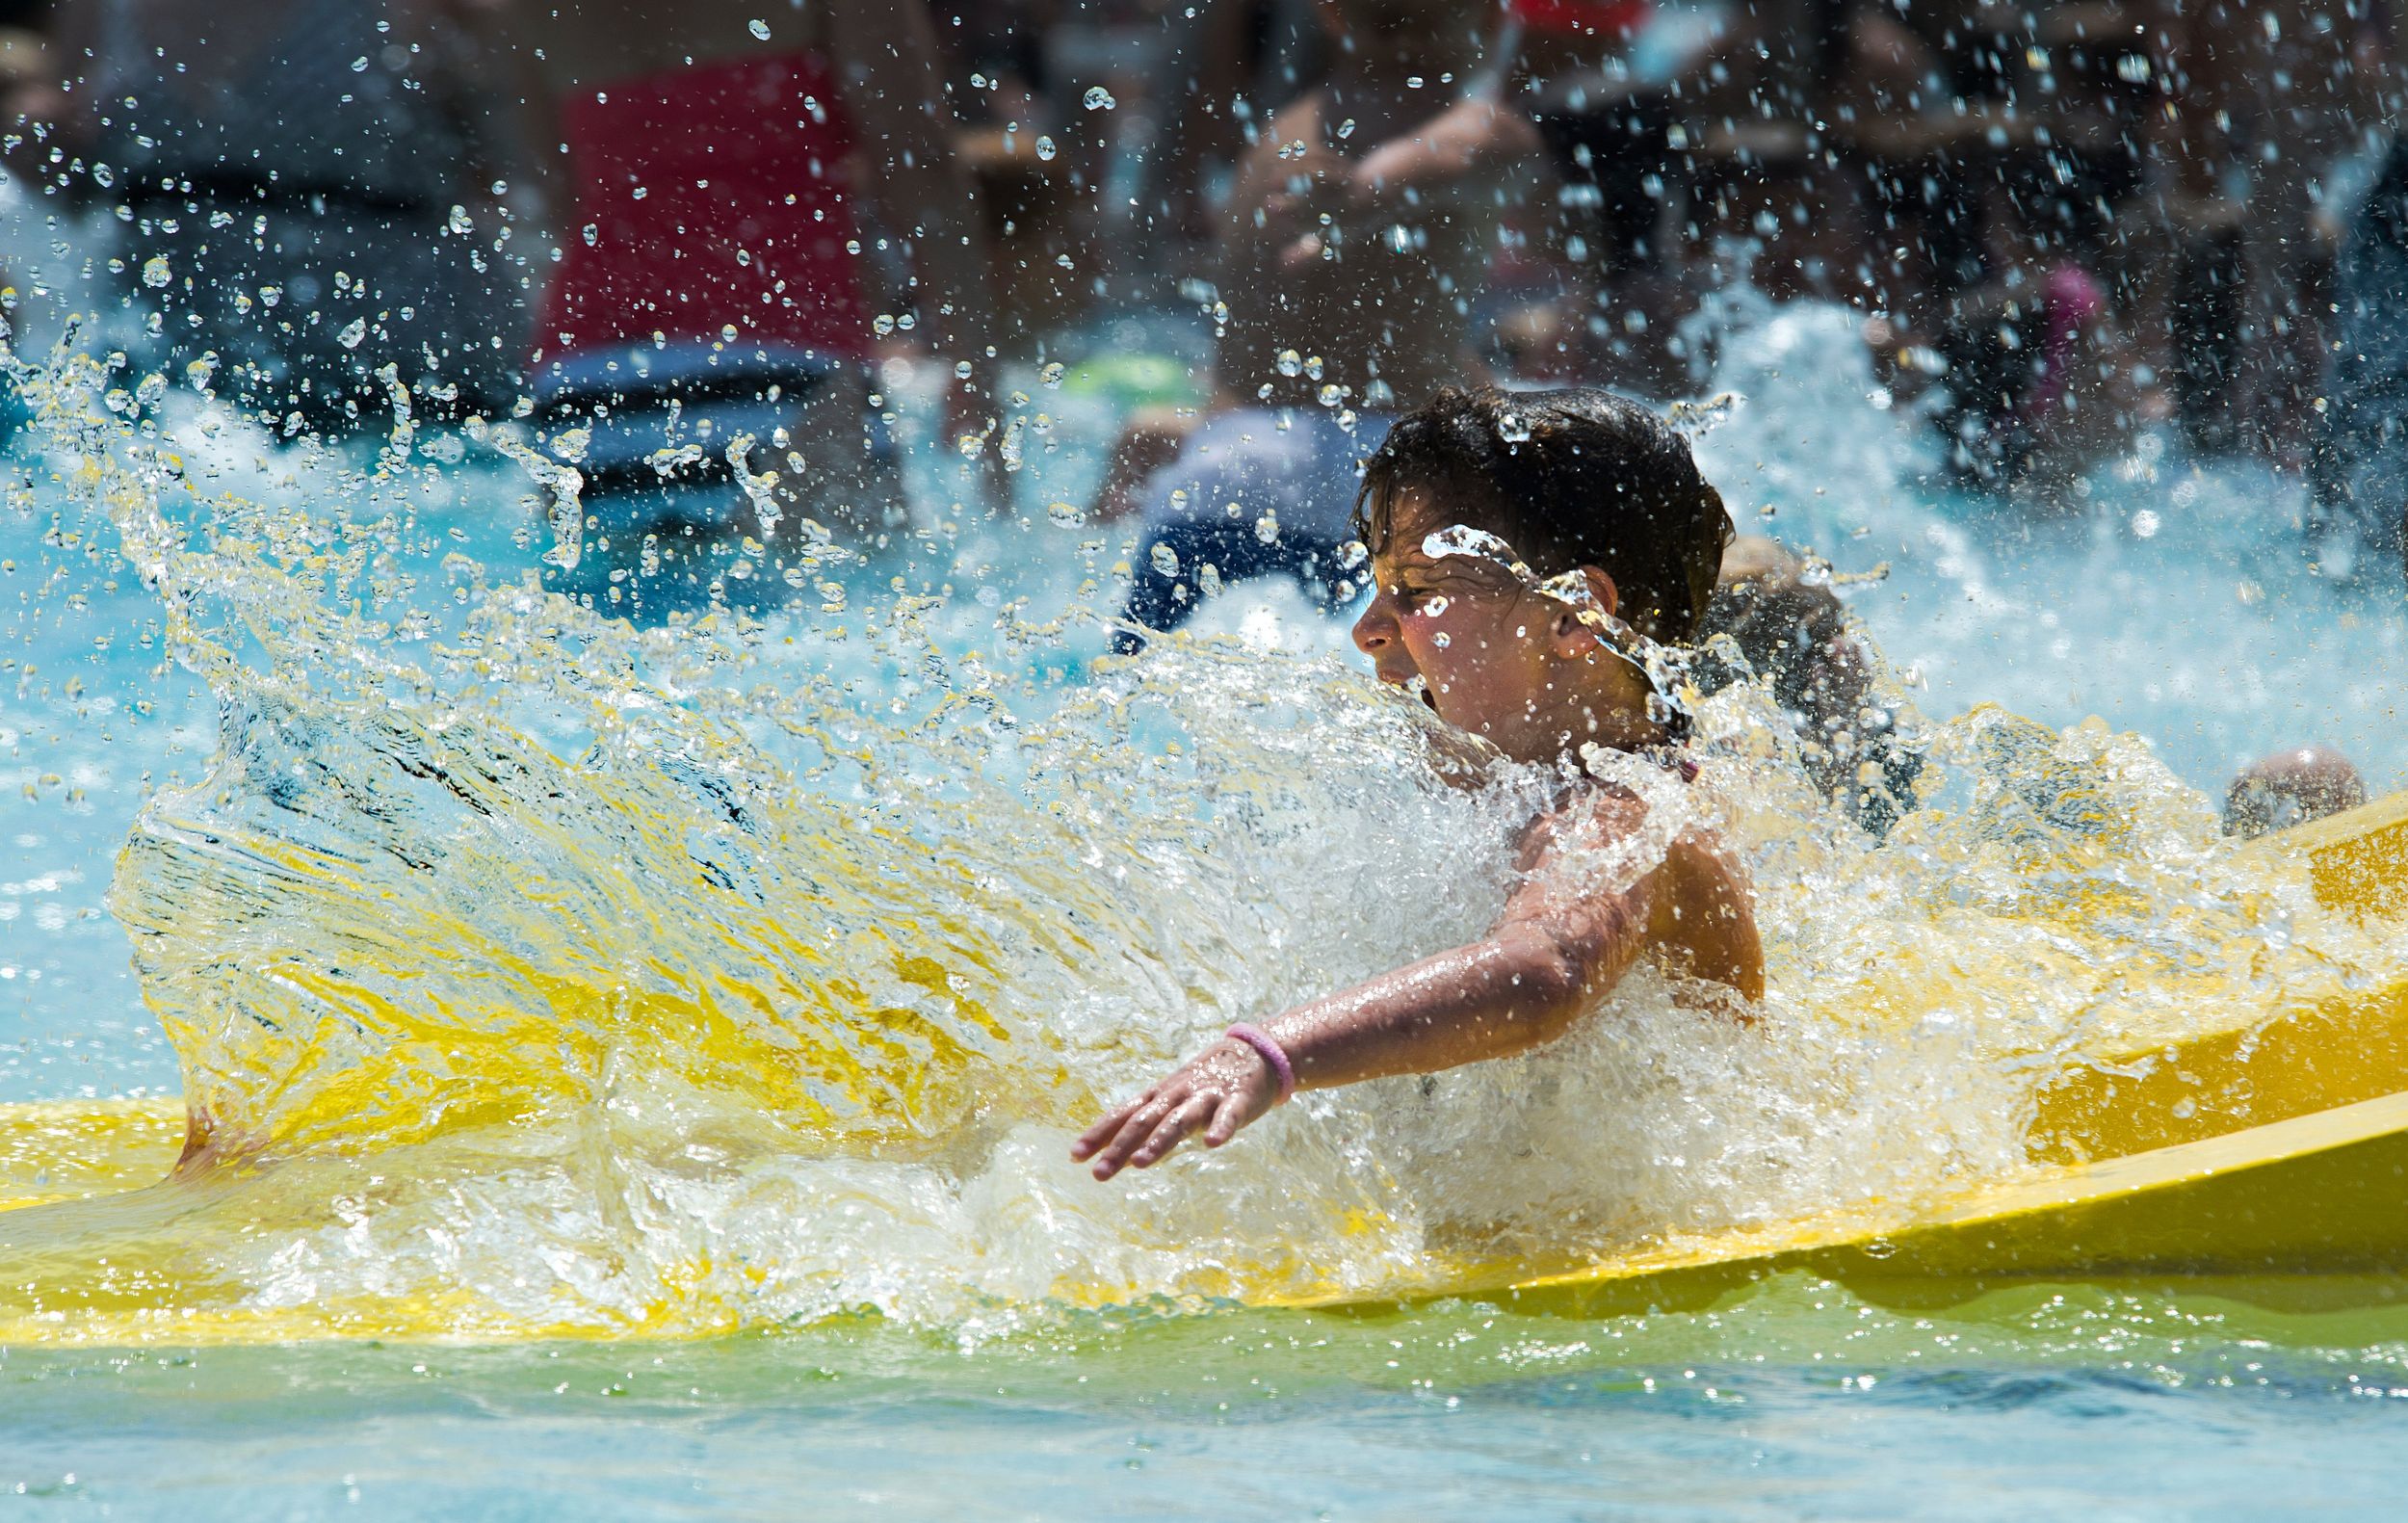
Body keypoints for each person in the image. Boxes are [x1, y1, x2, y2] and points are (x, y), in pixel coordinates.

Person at [1075, 385, 1763, 1179]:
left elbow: (1545, 969)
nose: (1367, 629)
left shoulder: (1627, 814)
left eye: (1417, 589)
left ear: (1574, 616)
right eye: (1378, 586)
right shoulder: (1516, 786)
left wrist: (1266, 1052)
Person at [510, 0, 998, 614]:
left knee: (612, 647)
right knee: (851, 630)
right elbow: (920, 164)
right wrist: (977, 371)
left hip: (589, 381)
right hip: (785, 354)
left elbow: (558, 189)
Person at [1108, 0, 1542, 642]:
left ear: (1332, 15)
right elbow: (1453, 155)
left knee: (1134, 681)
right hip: (1370, 489)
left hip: (1217, 476)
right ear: (1490, 22)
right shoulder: (1482, 124)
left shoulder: (1277, 137)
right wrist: (1365, 194)